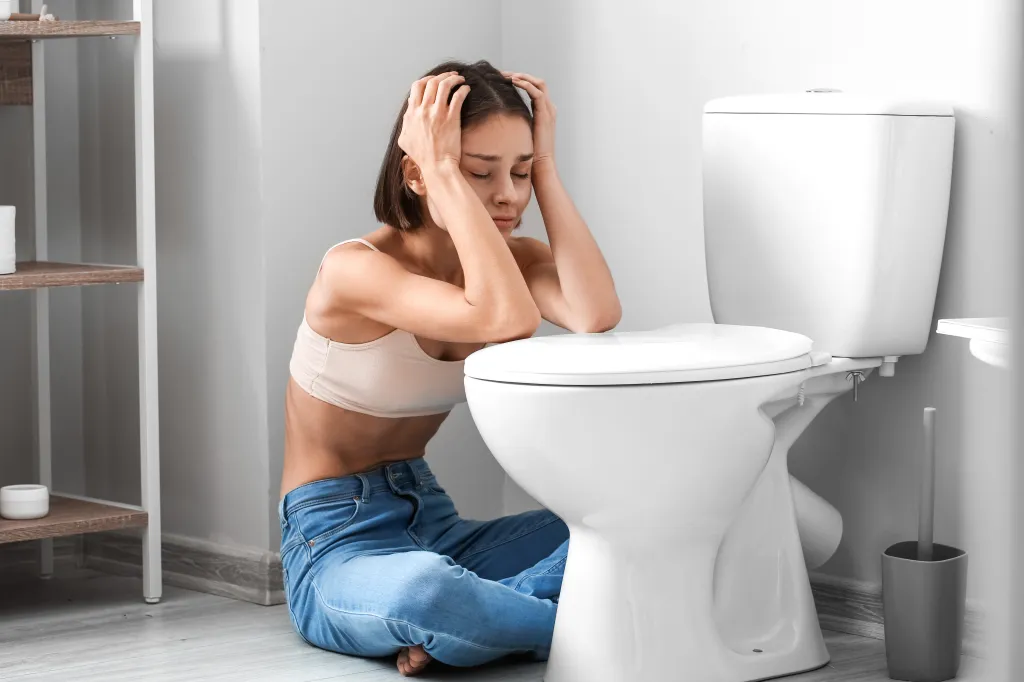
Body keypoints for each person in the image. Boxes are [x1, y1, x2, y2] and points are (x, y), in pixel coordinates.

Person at [278, 59, 621, 677]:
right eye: (479, 172)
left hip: (437, 525)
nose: (507, 195)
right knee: (426, 594)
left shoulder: (510, 262)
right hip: (336, 542)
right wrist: (436, 168)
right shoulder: (355, 270)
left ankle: (473, 625)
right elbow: (504, 319)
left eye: (519, 172)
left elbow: (595, 312)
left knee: (630, 523)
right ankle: (605, 626)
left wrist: (546, 169)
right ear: (418, 172)